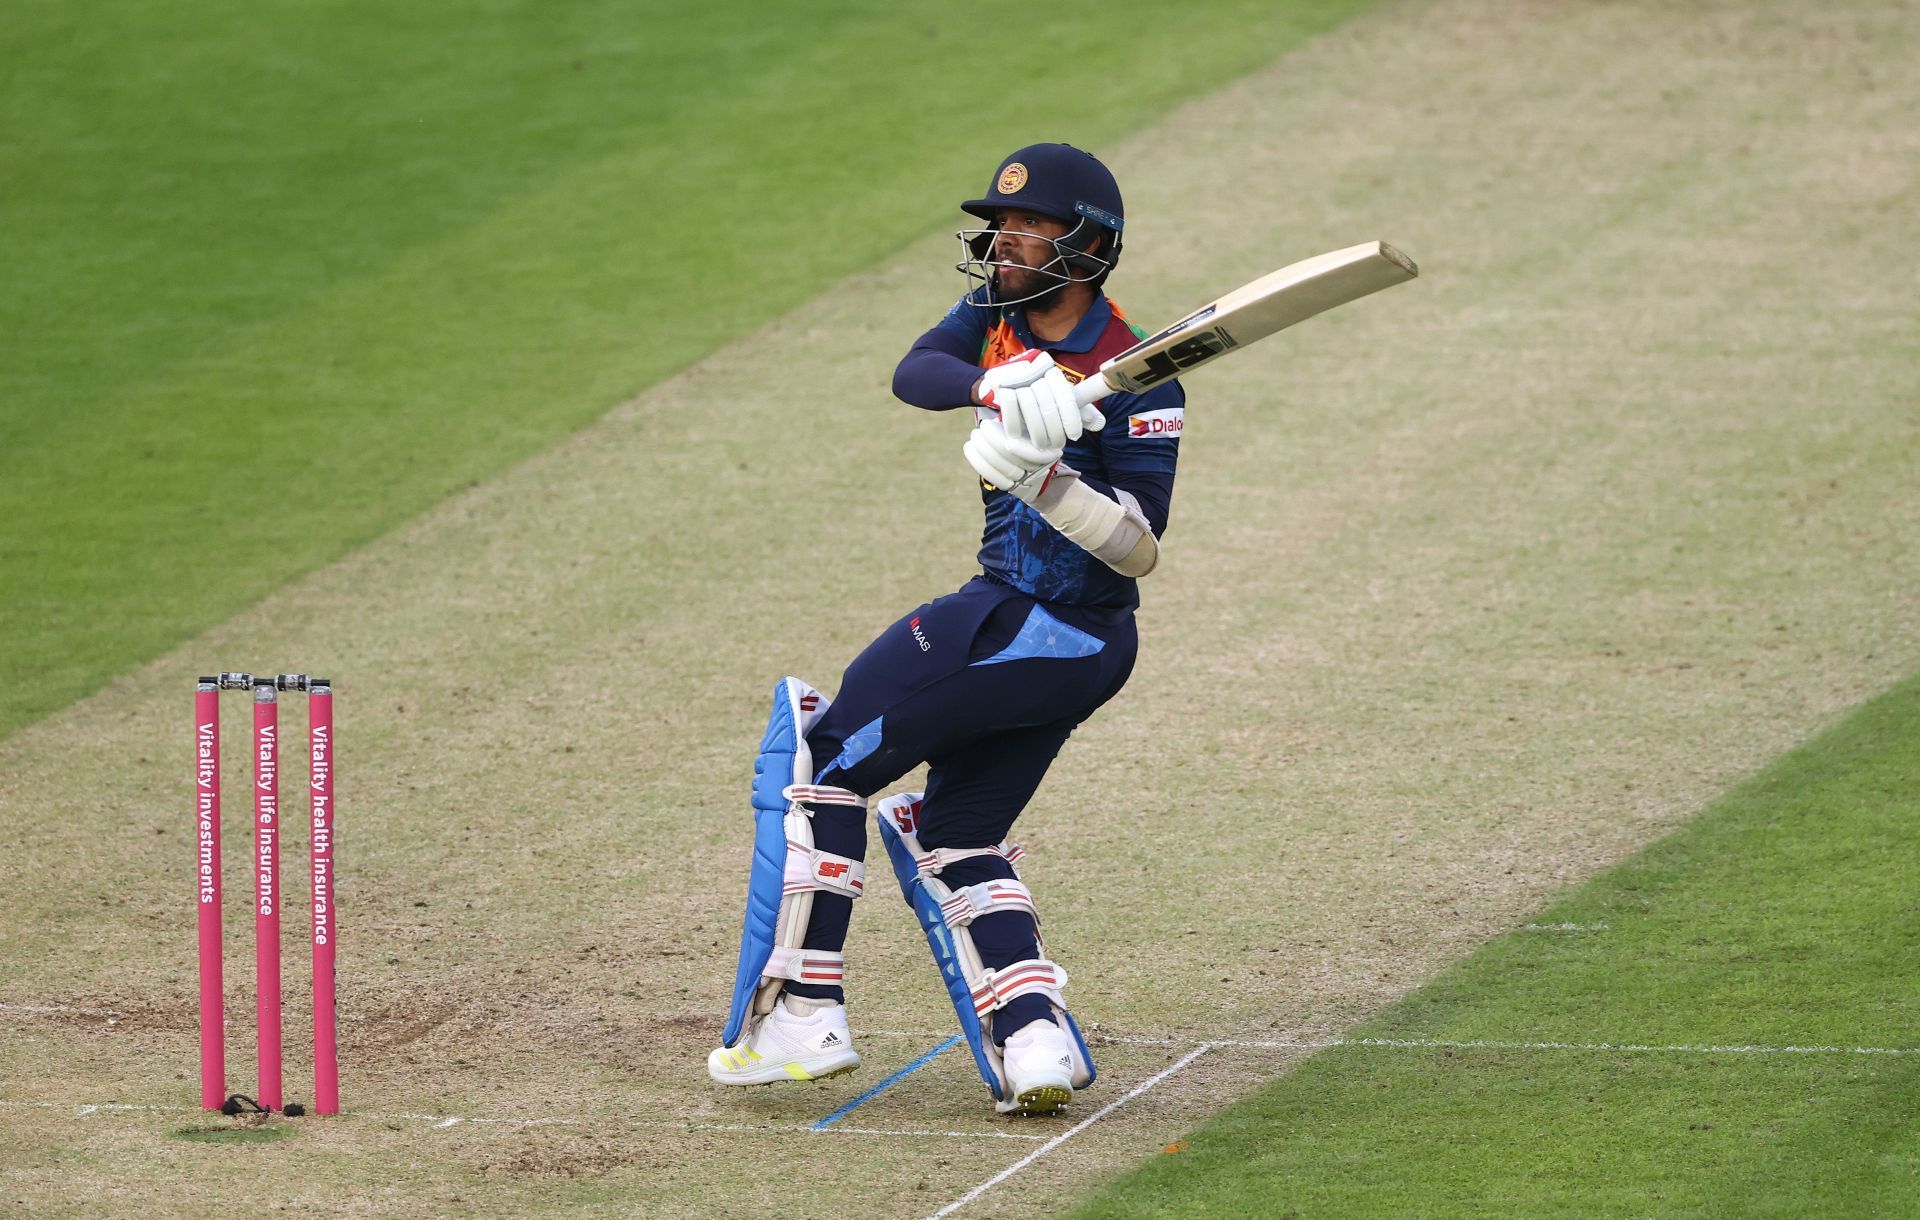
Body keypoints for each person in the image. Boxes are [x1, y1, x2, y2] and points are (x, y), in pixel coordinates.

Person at [708, 143, 1182, 1116]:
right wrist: (993, 391)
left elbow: (1139, 549)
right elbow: (914, 370)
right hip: (1065, 648)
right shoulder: (1002, 314)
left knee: (823, 754)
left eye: (1030, 225)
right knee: (963, 829)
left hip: (1037, 624)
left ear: (1087, 244)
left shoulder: (1137, 380)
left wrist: (1047, 476)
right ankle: (1036, 1035)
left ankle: (804, 1013)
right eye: (1001, 223)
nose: (1005, 238)